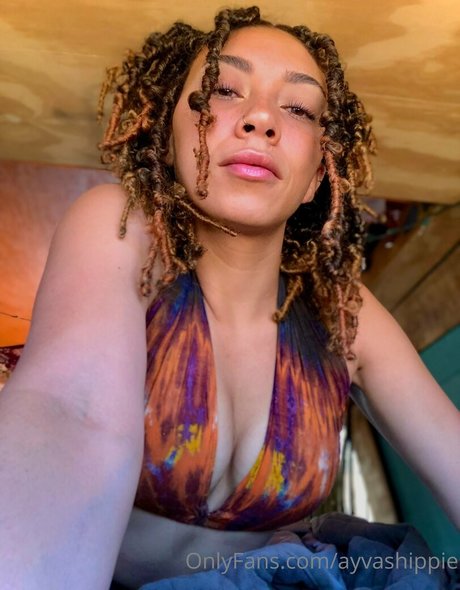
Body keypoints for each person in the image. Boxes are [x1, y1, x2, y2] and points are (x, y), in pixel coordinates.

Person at [0, 6, 458, 590]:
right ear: (167, 135)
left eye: (298, 109)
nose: (260, 119)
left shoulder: (344, 310)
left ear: (317, 174)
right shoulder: (118, 226)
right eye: (222, 90)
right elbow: (72, 412)